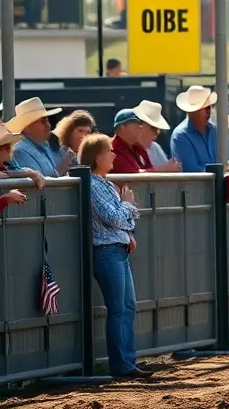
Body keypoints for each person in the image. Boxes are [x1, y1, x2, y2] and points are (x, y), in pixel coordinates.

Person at [79, 133, 151, 380]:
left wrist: (125, 212)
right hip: (107, 251)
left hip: (116, 251)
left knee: (127, 308)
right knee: (120, 309)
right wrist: (127, 204)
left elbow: (126, 220)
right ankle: (122, 365)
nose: (113, 154)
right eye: (109, 150)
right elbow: (118, 217)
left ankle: (126, 363)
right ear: (97, 156)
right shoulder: (93, 184)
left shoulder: (105, 184)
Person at [168, 86, 229, 172]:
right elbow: (191, 171)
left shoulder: (216, 131)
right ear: (191, 112)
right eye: (204, 108)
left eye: (209, 107)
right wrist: (224, 173)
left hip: (218, 184)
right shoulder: (181, 136)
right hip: (197, 185)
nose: (208, 111)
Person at [5, 98, 68, 178]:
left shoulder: (45, 147)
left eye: (47, 120)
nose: (48, 125)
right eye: (42, 121)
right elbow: (36, 186)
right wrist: (60, 169)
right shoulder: (20, 151)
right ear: (28, 127)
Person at [110, 102, 178, 174]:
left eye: (140, 123)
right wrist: (163, 169)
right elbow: (132, 175)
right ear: (122, 127)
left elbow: (146, 169)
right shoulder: (113, 149)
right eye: (135, 123)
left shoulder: (139, 149)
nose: (140, 127)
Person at [0, 123, 46, 187]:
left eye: (9, 147)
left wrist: (31, 172)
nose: (9, 151)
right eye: (1, 148)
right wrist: (28, 173)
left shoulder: (9, 164)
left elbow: (17, 170)